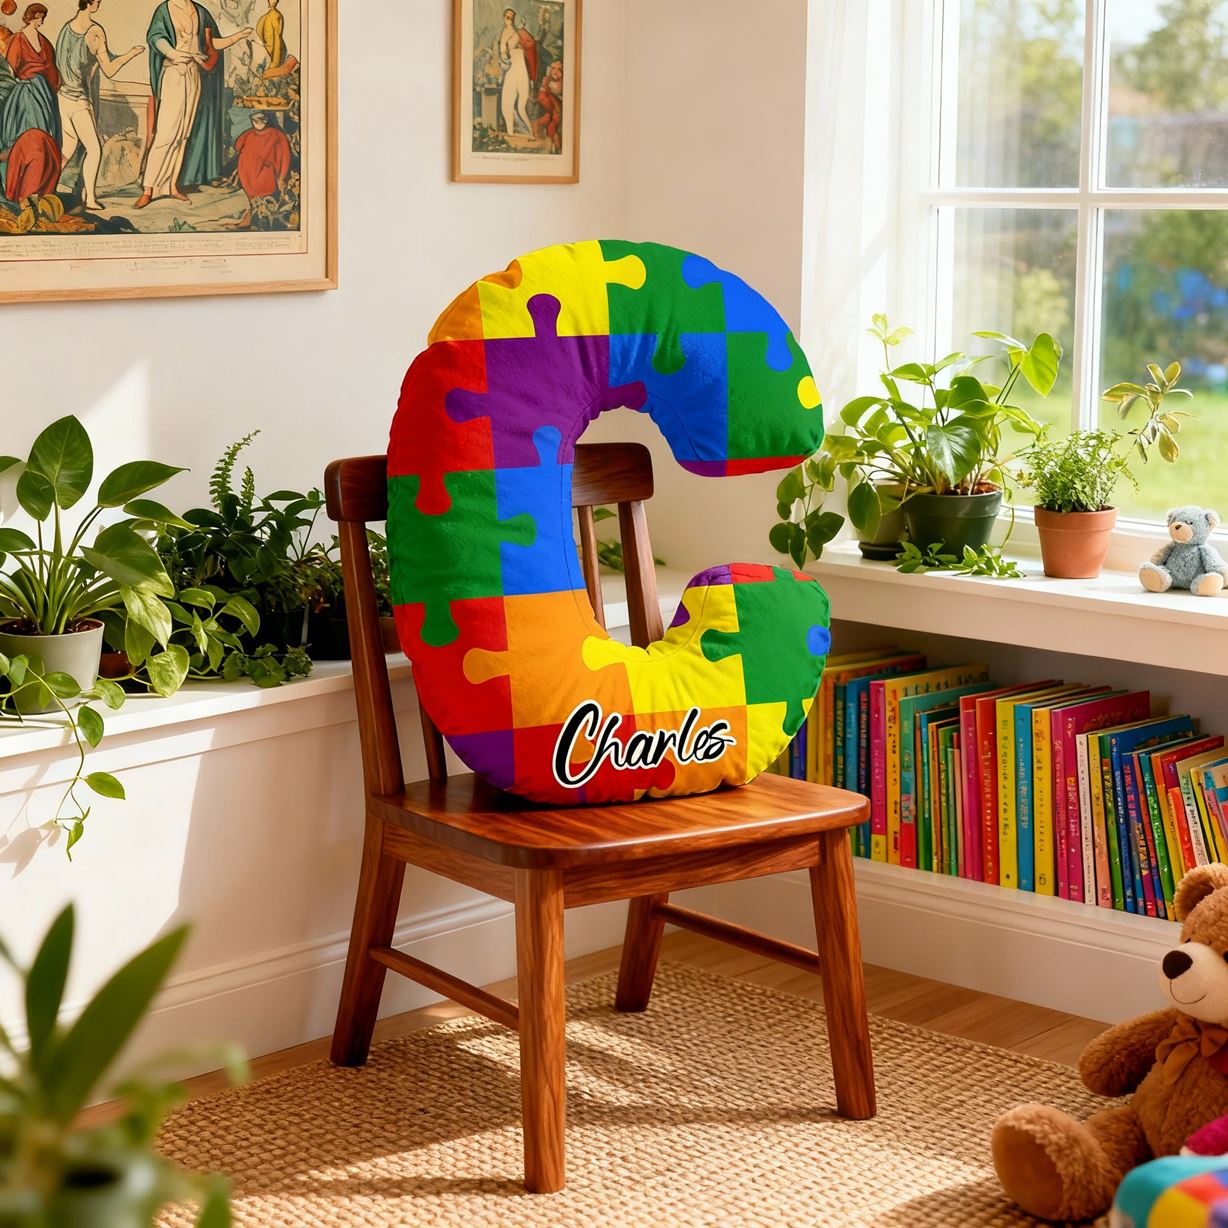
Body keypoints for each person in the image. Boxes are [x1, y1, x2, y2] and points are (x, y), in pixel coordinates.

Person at [136, 0, 251, 208]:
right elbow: (156, 39)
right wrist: (177, 54)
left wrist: (238, 36)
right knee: (165, 134)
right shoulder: (165, 9)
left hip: (193, 75)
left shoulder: (199, 11)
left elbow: (211, 44)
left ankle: (171, 186)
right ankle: (148, 189)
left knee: (183, 135)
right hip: (173, 73)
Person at [55, 0, 143, 211]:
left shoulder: (66, 28)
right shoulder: (95, 31)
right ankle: (91, 200)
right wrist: (132, 53)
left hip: (62, 97)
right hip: (78, 99)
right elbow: (110, 69)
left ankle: (45, 189)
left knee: (67, 149)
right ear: (92, 3)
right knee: (95, 149)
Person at [0, 4, 60, 154]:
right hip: (26, 90)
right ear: (32, 17)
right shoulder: (18, 39)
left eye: (43, 18)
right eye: (40, 18)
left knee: (44, 128)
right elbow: (11, 67)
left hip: (43, 91)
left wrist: (51, 88)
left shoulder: (44, 41)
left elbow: (51, 68)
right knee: (25, 127)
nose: (41, 22)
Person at [231, 109, 288, 225]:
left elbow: (285, 155)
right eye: (255, 120)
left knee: (262, 194)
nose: (259, 123)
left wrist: (281, 177)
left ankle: (257, 214)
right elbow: (237, 145)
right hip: (247, 171)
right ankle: (252, 212)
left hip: (266, 172)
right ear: (252, 121)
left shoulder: (277, 134)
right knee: (251, 195)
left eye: (262, 119)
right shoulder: (248, 134)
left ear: (267, 120)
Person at [496, 8, 535, 138]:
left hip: (520, 70)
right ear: (504, 17)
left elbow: (526, 45)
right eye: (508, 17)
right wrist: (503, 60)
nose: (510, 20)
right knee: (506, 106)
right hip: (511, 70)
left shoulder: (518, 33)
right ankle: (511, 133)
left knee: (521, 107)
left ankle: (530, 133)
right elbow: (503, 54)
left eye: (512, 18)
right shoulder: (503, 33)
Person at [254, 0, 295, 81]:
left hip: (275, 60)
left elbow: (276, 42)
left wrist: (273, 66)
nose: (275, 1)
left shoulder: (275, 16)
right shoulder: (265, 17)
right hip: (268, 58)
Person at [533, 57, 561, 151]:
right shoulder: (548, 79)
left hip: (555, 107)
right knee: (548, 120)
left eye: (558, 69)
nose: (555, 71)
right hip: (548, 102)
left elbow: (557, 90)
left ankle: (555, 146)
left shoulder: (559, 80)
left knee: (553, 120)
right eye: (553, 68)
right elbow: (546, 91)